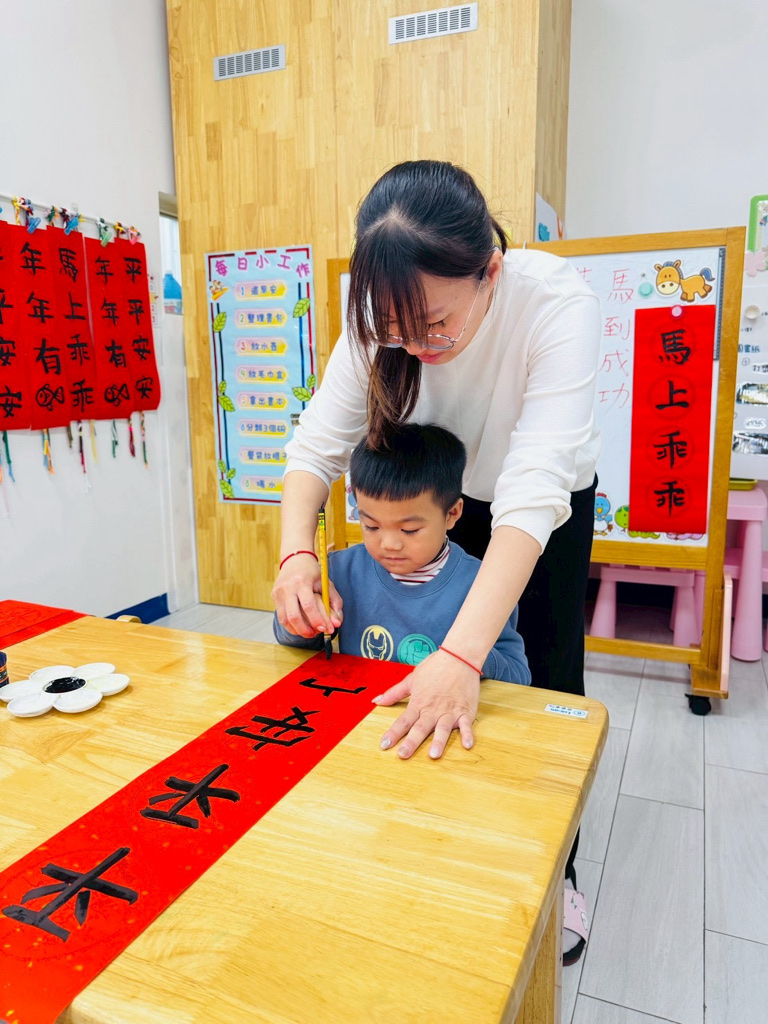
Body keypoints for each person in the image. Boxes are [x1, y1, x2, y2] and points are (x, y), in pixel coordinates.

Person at [272, 159, 600, 965]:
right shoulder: (377, 315)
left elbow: (532, 491)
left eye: (435, 325)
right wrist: (294, 555)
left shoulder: (555, 302)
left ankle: (554, 868)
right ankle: (442, 835)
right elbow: (315, 447)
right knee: (415, 660)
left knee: (542, 678)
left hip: (536, 513)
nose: (417, 345)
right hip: (433, 496)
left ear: (490, 272)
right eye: (397, 331)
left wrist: (463, 654)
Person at [274, 423, 531, 686]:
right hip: (360, 705)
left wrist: (471, 658)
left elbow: (518, 675)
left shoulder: (483, 583)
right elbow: (296, 644)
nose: (389, 544)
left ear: (452, 514)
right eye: (371, 526)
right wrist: (302, 618)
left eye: (409, 530)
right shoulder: (340, 570)